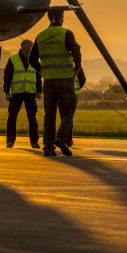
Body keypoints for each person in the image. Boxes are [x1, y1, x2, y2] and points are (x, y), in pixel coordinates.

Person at [30, 8, 86, 157]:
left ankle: (48, 148)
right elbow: (76, 51)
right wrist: (76, 68)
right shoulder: (66, 33)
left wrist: (43, 71)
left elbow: (31, 59)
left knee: (49, 115)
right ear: (61, 17)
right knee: (67, 112)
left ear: (49, 18)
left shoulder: (40, 36)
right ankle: (61, 139)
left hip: (48, 81)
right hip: (65, 81)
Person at [3, 39, 41, 149]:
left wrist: (39, 91)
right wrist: (7, 92)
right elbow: (7, 77)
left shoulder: (35, 60)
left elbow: (38, 77)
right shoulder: (13, 59)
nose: (30, 50)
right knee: (12, 117)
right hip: (16, 93)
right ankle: (10, 140)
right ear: (23, 48)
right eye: (28, 48)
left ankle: (34, 142)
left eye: (31, 48)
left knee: (32, 118)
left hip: (30, 93)